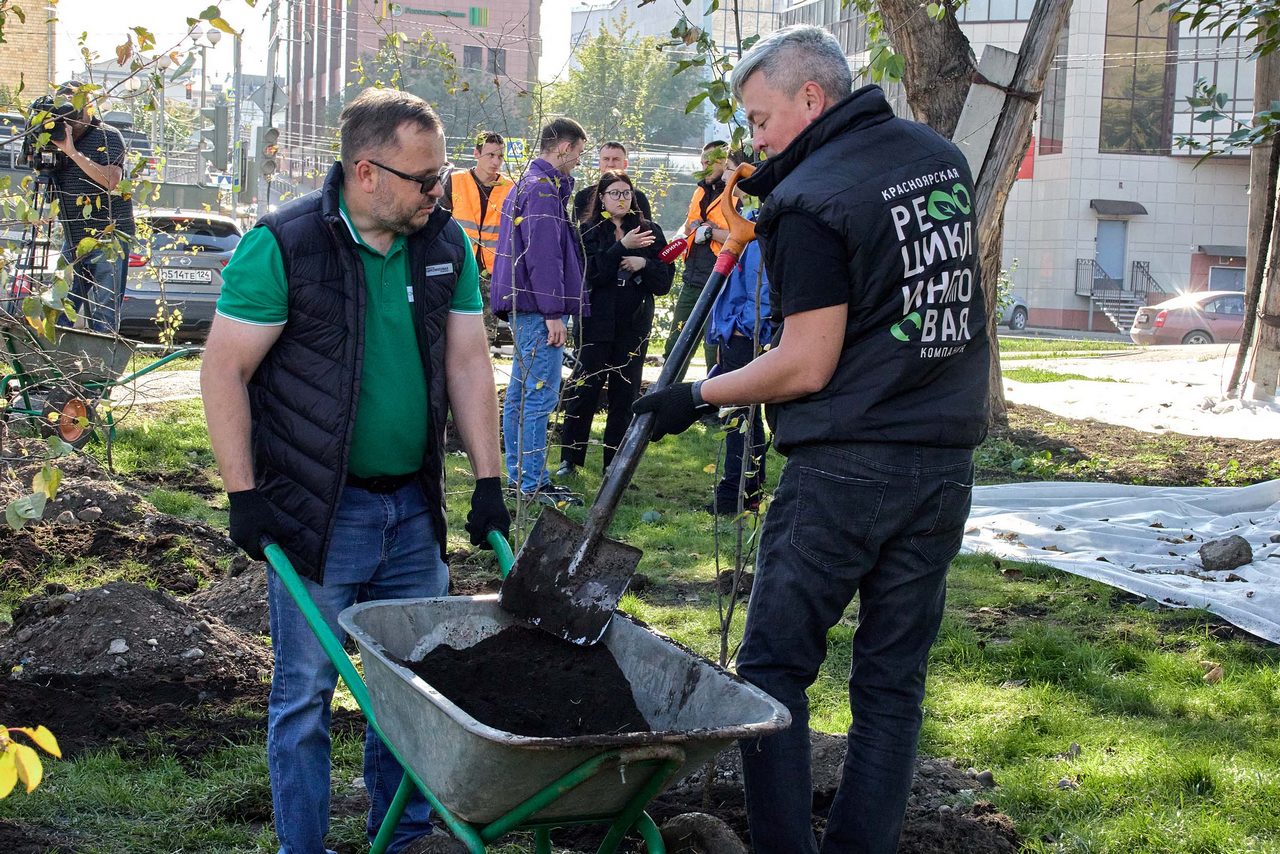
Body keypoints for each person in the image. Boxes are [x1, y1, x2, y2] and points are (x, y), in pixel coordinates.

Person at [633, 24, 990, 854]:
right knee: (892, 683)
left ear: (811, 98)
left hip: (848, 468)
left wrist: (693, 394)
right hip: (943, 463)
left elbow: (804, 364)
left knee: (773, 672)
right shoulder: (937, 158)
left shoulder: (810, 201)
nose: (752, 141)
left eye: (759, 120)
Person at [200, 88, 511, 854]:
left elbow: (469, 364)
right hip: (316, 514)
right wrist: (243, 495)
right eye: (425, 178)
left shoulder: (442, 245)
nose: (440, 193)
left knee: (410, 691)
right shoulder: (285, 246)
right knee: (305, 695)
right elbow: (223, 372)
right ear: (366, 173)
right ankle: (302, 847)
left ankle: (396, 842)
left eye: (440, 176)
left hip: (410, 513)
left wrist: (490, 481)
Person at [491, 117, 588, 506]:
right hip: (538, 309)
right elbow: (544, 256)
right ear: (563, 147)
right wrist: (553, 312)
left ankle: (520, 477)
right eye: (578, 153)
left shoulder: (527, 185)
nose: (579, 162)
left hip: (525, 306)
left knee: (519, 396)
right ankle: (532, 484)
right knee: (539, 397)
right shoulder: (544, 192)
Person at [557, 171, 674, 478]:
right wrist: (622, 246)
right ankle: (570, 458)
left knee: (625, 394)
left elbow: (663, 281)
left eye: (626, 193)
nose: (621, 199)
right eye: (614, 193)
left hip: (632, 326)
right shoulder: (589, 231)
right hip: (595, 322)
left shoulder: (649, 231)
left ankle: (615, 463)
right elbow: (590, 275)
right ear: (602, 199)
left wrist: (644, 263)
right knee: (584, 389)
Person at [704, 151, 770, 515]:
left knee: (740, 415)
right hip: (734, 332)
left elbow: (760, 290)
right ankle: (745, 488)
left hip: (746, 336)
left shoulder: (758, 229)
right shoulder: (747, 219)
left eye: (733, 173)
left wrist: (745, 330)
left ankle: (738, 493)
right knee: (740, 414)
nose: (728, 180)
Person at [46, 81, 135, 333]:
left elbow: (112, 180)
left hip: (110, 235)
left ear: (89, 108)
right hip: (74, 236)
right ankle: (56, 360)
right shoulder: (54, 136)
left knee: (104, 308)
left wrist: (72, 152)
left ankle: (102, 365)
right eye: (63, 108)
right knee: (61, 303)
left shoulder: (107, 136)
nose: (71, 116)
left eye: (75, 108)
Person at [662, 140, 733, 381]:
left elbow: (741, 235)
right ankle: (664, 401)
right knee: (676, 345)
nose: (704, 166)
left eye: (711, 161)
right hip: (693, 278)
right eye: (703, 161)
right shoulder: (700, 190)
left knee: (715, 352)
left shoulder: (735, 193)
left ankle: (713, 411)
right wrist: (682, 235)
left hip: (721, 282)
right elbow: (691, 222)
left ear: (725, 162)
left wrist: (711, 232)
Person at [441, 131, 514, 345]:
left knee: (484, 337)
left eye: (500, 157)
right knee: (451, 331)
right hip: (458, 266)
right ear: (476, 154)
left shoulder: (511, 189)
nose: (495, 162)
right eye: (490, 155)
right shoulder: (454, 181)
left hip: (492, 272)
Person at [571, 141, 652, 222]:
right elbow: (576, 232)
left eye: (616, 159)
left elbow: (646, 229)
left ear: (625, 164)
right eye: (606, 159)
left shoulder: (639, 198)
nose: (610, 164)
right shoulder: (583, 197)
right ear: (599, 163)